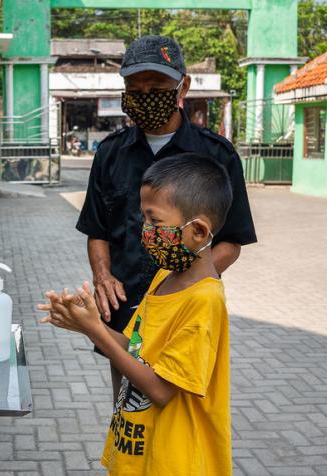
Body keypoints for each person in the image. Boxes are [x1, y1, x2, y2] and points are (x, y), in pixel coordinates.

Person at [75, 35, 256, 400]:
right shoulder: (110, 154)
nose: (145, 96)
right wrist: (102, 275)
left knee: (176, 412)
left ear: (182, 86)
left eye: (156, 87)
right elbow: (97, 229)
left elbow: (231, 241)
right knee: (128, 410)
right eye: (134, 88)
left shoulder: (216, 156)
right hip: (124, 313)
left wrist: (176, 288)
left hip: (182, 312)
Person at [41, 153, 233, 475]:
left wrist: (97, 331)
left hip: (172, 463)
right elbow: (133, 346)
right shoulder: (163, 277)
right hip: (133, 450)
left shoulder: (204, 301)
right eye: (143, 218)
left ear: (198, 231)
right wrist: (85, 323)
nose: (145, 230)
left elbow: (160, 390)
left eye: (154, 221)